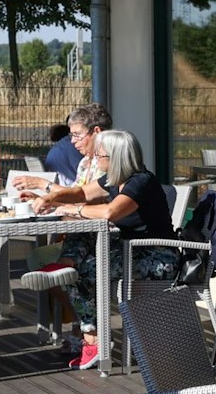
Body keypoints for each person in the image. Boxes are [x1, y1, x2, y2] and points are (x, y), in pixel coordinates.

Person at [19, 129, 177, 371]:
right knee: (81, 235)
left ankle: (93, 338)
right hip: (130, 249)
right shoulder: (114, 178)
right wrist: (51, 198)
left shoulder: (140, 181)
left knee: (88, 269)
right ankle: (66, 263)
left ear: (116, 157)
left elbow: (109, 212)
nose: (95, 160)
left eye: (99, 156)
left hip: (156, 257)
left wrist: (69, 209)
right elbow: (81, 192)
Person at [15, 103, 108, 194]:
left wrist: (41, 183)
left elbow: (83, 197)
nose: (72, 141)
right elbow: (74, 197)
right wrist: (43, 200)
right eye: (72, 135)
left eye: (77, 135)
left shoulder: (107, 162)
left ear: (97, 132)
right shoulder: (85, 162)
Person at [41, 120, 81, 184]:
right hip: (66, 184)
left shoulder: (57, 147)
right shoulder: (69, 145)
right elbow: (80, 166)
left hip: (56, 181)